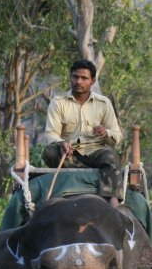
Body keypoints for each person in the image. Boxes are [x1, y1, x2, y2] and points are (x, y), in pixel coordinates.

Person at [43, 59, 124, 207]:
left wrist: (106, 133)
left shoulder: (104, 103)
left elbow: (117, 136)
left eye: (84, 78)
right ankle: (89, 176)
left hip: (96, 152)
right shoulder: (58, 102)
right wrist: (61, 143)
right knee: (49, 152)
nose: (78, 81)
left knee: (110, 155)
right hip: (69, 155)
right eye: (75, 77)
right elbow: (50, 133)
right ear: (70, 77)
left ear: (93, 81)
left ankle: (112, 199)